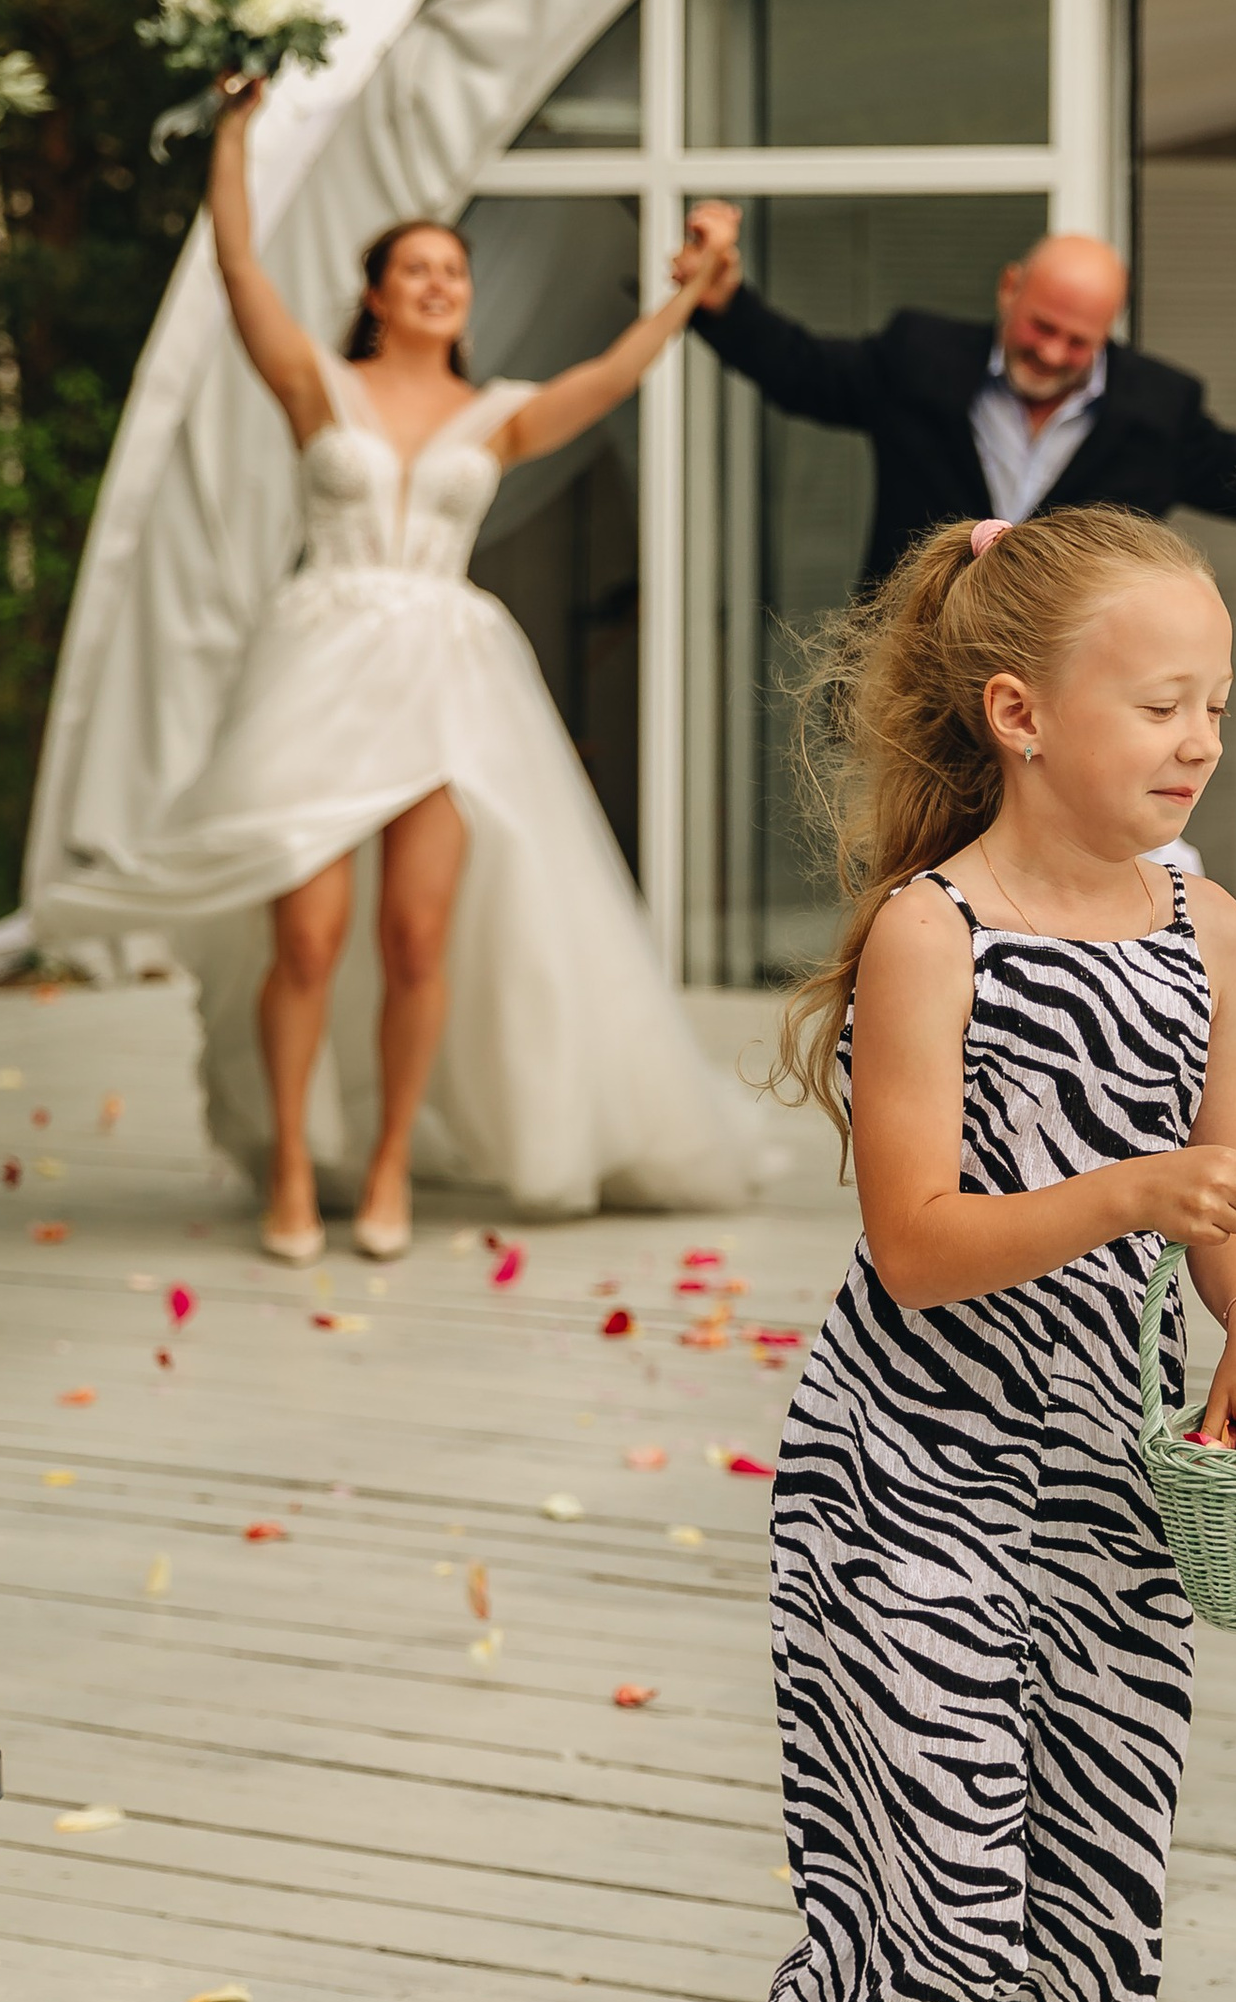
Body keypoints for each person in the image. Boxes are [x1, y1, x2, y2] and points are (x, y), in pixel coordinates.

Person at [697, 505, 1236, 2002]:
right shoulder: (932, 933)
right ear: (1018, 714)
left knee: (1098, 1907)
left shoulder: (1204, 929)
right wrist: (1132, 1197)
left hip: (1101, 1490)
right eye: (1157, 702)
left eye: (1212, 706)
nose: (1196, 738)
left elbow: (1225, 1184)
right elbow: (916, 1243)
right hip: (907, 1476)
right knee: (953, 1891)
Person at [40, 86, 751, 1255]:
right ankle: (284, 1168)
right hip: (321, 670)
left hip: (447, 682)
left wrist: (691, 283)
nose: (438, 283)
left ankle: (385, 1174)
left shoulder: (499, 414)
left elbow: (616, 375)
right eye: (415, 268)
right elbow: (237, 271)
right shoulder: (319, 383)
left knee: (419, 936)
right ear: (376, 292)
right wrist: (231, 134)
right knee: (308, 935)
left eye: (453, 271)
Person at [679, 202, 1236, 586]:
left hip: (1058, 698)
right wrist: (726, 305)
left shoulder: (1156, 410)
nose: (1051, 353)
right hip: (908, 680)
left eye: (1078, 341)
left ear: (1109, 333)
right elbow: (804, 372)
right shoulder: (918, 358)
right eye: (1041, 326)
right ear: (1009, 288)